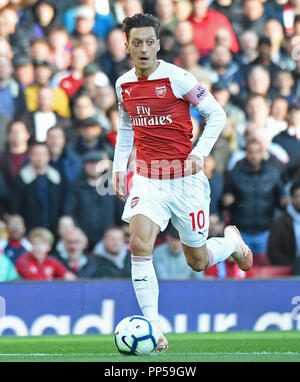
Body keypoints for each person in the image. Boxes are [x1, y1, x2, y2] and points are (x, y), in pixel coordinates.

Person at [112, 13, 253, 352]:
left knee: (198, 261)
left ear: (158, 44)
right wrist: (119, 167)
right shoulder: (123, 84)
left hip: (186, 182)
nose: (144, 49)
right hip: (148, 177)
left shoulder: (178, 78)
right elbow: (127, 125)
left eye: (149, 42)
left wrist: (200, 152)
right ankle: (154, 327)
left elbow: (216, 114)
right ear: (126, 46)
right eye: (137, 43)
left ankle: (231, 243)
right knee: (139, 244)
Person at [223, 138, 284, 264]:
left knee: (264, 272)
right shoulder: (234, 173)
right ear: (246, 153)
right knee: (242, 272)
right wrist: (226, 199)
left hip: (265, 232)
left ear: (263, 153)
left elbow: (280, 200)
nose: (254, 156)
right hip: (241, 231)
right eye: (251, 152)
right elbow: (224, 199)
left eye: (257, 152)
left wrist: (286, 201)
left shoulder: (273, 173)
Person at [63, 150, 123, 249]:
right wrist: (77, 234)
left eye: (97, 163)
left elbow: (121, 215)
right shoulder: (75, 187)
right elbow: (68, 213)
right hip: (81, 241)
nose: (93, 167)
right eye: (89, 163)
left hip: (107, 242)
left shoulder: (112, 187)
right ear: (84, 166)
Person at [9, 141, 66, 233]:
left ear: (49, 156)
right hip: (29, 230)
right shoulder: (21, 178)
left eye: (43, 154)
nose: (40, 158)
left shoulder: (56, 178)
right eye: (36, 154)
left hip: (54, 229)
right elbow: (14, 207)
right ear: (30, 156)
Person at [267, 180, 300, 273]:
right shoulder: (280, 222)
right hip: (290, 270)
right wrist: (289, 268)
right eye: (296, 196)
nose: (299, 200)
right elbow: (273, 252)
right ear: (291, 198)